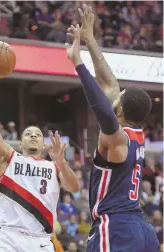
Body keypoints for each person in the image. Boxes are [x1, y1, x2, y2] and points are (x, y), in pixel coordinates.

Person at [66, 4, 159, 252]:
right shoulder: (136, 133)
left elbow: (104, 111)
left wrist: (78, 64)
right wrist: (90, 40)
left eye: (119, 97)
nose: (115, 93)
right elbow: (109, 82)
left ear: (119, 110)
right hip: (142, 229)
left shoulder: (117, 137)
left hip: (116, 227)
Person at [0, 70, 79, 252]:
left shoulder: (54, 166)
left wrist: (62, 163)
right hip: (7, 237)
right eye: (28, 134)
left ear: (44, 145)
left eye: (37, 134)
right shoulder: (8, 157)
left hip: (40, 239)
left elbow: (74, 188)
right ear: (20, 143)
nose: (33, 136)